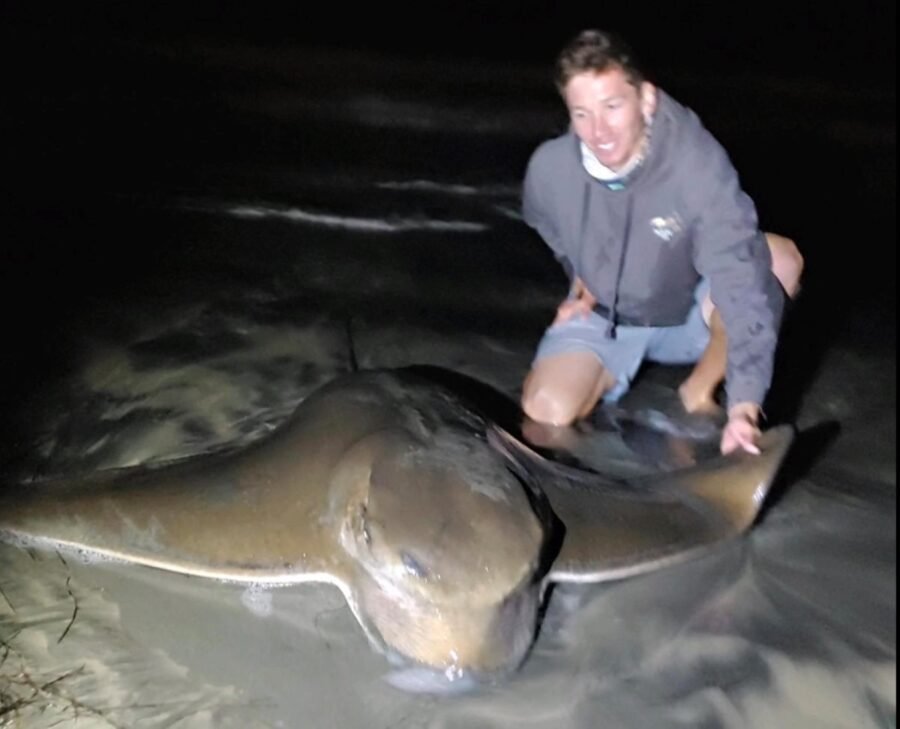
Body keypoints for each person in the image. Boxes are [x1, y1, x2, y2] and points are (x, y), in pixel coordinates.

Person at [520, 29, 804, 455]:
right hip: (610, 314)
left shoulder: (696, 164)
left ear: (646, 99)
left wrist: (745, 407)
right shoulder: (550, 171)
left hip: (688, 305)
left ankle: (700, 387)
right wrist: (583, 279)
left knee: (778, 261)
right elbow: (546, 223)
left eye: (612, 106)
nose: (599, 131)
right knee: (546, 411)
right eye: (582, 114)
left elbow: (740, 278)